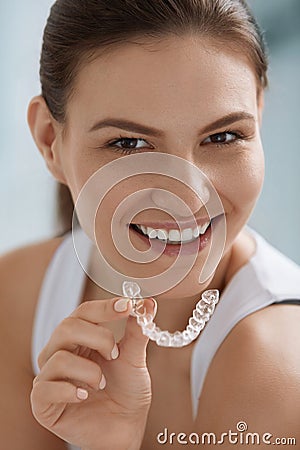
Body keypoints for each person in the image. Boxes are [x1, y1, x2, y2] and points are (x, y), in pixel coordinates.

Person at [1, 0, 300, 449]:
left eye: (223, 136)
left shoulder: (273, 361)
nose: (189, 194)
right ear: (50, 140)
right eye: (129, 142)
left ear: (259, 114)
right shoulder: (15, 298)